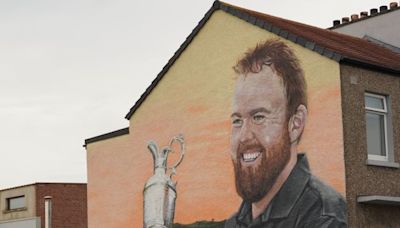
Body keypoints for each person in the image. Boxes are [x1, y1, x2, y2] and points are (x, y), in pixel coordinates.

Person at [225, 39, 347, 228]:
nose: (243, 136)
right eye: (237, 121)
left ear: (295, 123)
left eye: (258, 117)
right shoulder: (235, 223)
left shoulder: (325, 217)